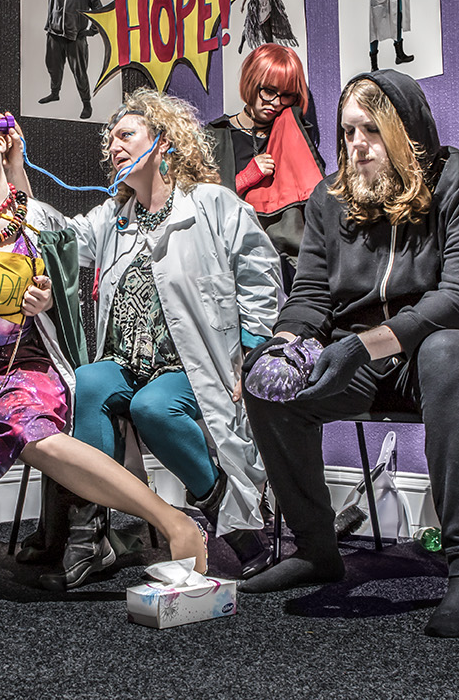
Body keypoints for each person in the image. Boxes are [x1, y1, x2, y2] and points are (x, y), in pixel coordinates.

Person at [241, 70, 459, 639]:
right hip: (370, 356)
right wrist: (284, 344)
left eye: (372, 130)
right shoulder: (331, 197)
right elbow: (310, 295)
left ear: (407, 130)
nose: (357, 145)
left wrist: (364, 345)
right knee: (270, 383)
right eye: (348, 131)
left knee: (444, 352)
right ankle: (316, 548)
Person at [0, 107, 209, 610]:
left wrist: (47, 299)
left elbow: (63, 289)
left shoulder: (39, 218)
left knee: (36, 434)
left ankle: (170, 519)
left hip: (18, 363)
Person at [25, 88, 282, 589]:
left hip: (194, 362)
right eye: (110, 140)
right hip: (127, 360)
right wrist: (15, 168)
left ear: (163, 141)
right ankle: (90, 535)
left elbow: (259, 272)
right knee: (87, 383)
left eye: (126, 134)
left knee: (153, 407)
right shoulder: (111, 218)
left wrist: (253, 348)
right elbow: (53, 241)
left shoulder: (211, 204)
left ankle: (232, 521)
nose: (113, 146)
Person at [204, 44, 325, 291]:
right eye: (269, 91)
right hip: (228, 268)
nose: (276, 103)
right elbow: (200, 208)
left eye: (286, 95)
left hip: (284, 273)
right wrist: (243, 179)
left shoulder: (292, 131)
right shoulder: (215, 136)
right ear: (251, 82)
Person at [26, 0, 103, 119]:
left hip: (75, 38)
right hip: (54, 35)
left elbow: (99, 9)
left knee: (80, 72)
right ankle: (55, 93)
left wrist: (92, 31)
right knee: (53, 67)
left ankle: (86, 104)